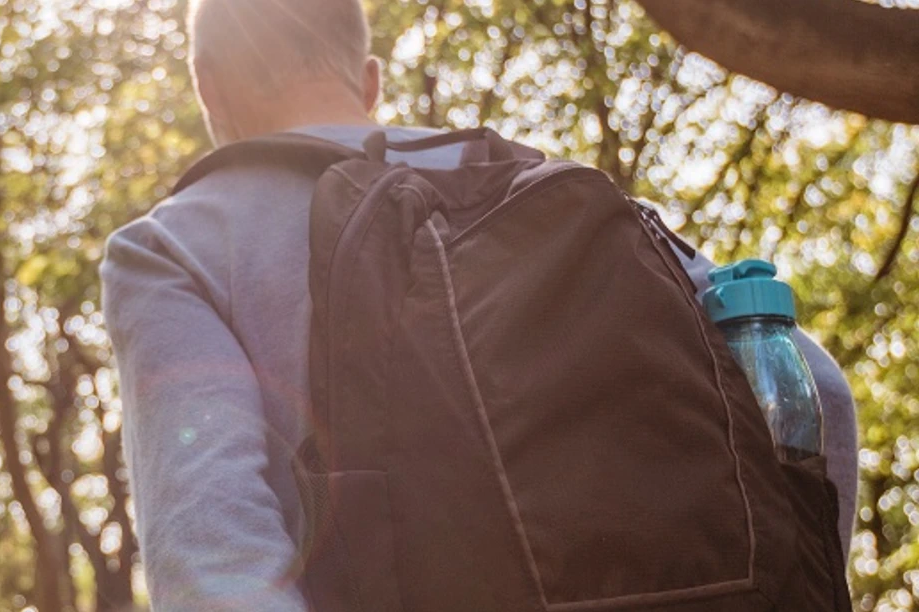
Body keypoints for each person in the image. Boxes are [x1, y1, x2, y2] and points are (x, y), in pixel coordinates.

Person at [99, 0, 858, 609]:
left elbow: (213, 560)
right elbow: (812, 387)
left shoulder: (172, 245)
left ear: (207, 85)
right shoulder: (551, 187)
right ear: (369, 81)